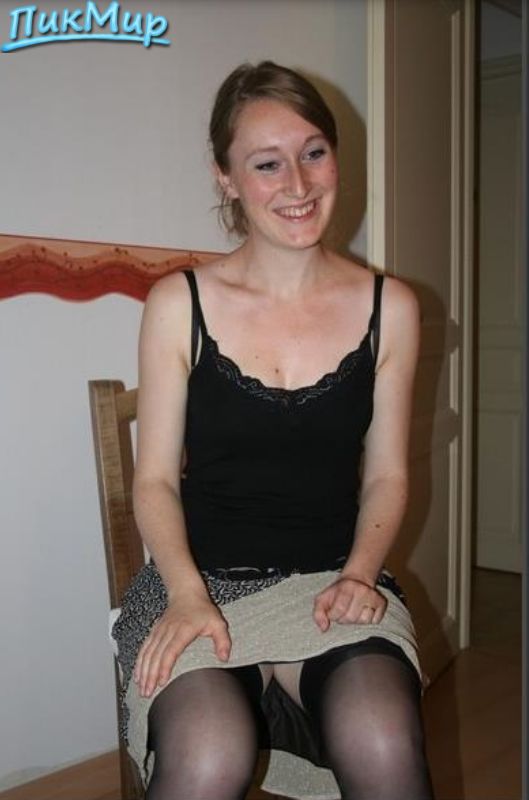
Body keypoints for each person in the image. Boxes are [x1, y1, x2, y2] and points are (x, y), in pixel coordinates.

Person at [112, 60, 435, 800]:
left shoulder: (391, 307)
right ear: (226, 177)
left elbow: (387, 473)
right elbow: (154, 480)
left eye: (313, 152)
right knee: (207, 754)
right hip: (198, 582)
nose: (298, 183)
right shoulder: (178, 303)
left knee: (382, 736)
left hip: (334, 581)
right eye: (266, 163)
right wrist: (187, 592)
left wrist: (360, 574)